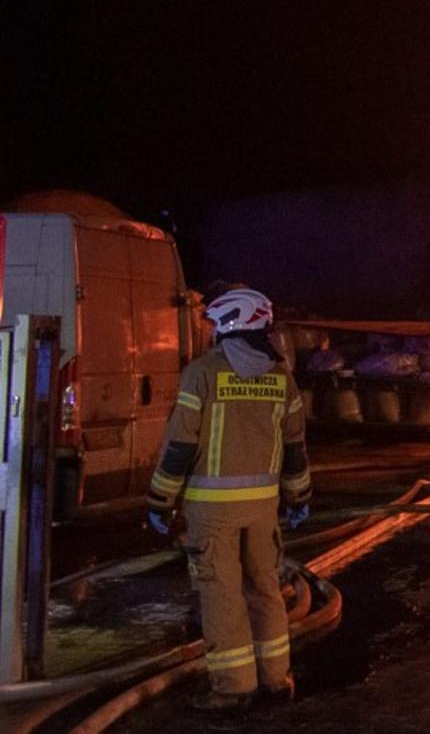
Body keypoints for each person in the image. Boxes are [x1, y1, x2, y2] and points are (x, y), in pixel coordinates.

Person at [146, 287, 310, 713]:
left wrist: (160, 500)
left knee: (222, 596)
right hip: (263, 510)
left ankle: (233, 689)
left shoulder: (202, 373)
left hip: (212, 511)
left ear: (227, 324)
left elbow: (180, 447)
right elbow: (295, 448)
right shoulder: (282, 377)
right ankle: (276, 681)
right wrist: (298, 498)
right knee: (266, 591)